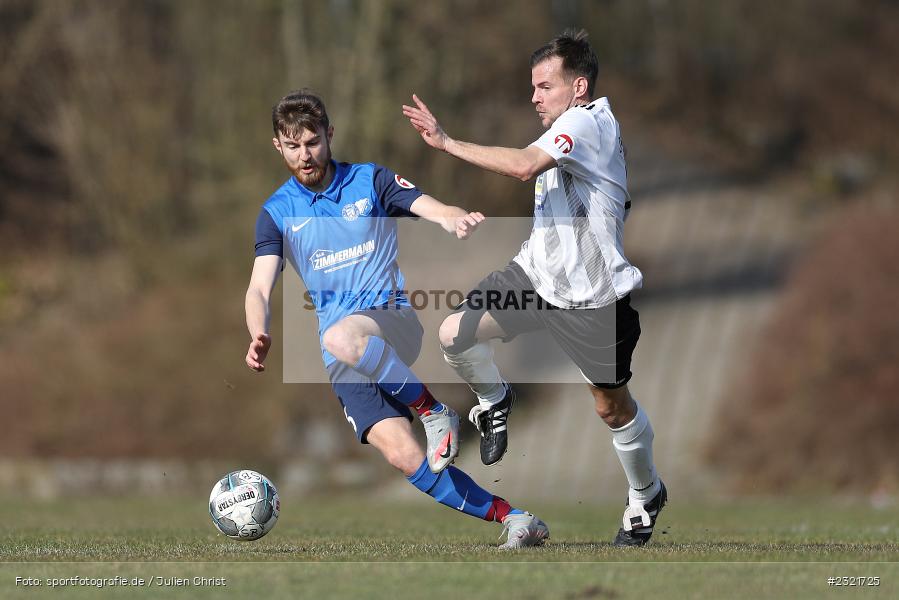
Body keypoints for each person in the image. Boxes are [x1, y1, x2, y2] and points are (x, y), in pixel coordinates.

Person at [244, 90, 548, 548]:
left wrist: (450, 217)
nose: (304, 155)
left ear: (329, 134)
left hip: (391, 320)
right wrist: (258, 331)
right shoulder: (276, 213)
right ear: (277, 147)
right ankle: (517, 519)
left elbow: (425, 204)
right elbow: (258, 286)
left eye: (312, 142)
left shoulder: (370, 180)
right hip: (345, 354)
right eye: (293, 146)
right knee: (405, 457)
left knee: (338, 337)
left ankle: (434, 411)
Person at [402, 30, 665, 547]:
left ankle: (646, 492)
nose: (534, 96)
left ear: (579, 87)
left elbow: (522, 167)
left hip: (593, 299)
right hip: (535, 279)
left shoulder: (588, 125)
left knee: (610, 407)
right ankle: (494, 399)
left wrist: (448, 142)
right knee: (455, 332)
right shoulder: (564, 126)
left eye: (545, 85)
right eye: (533, 86)